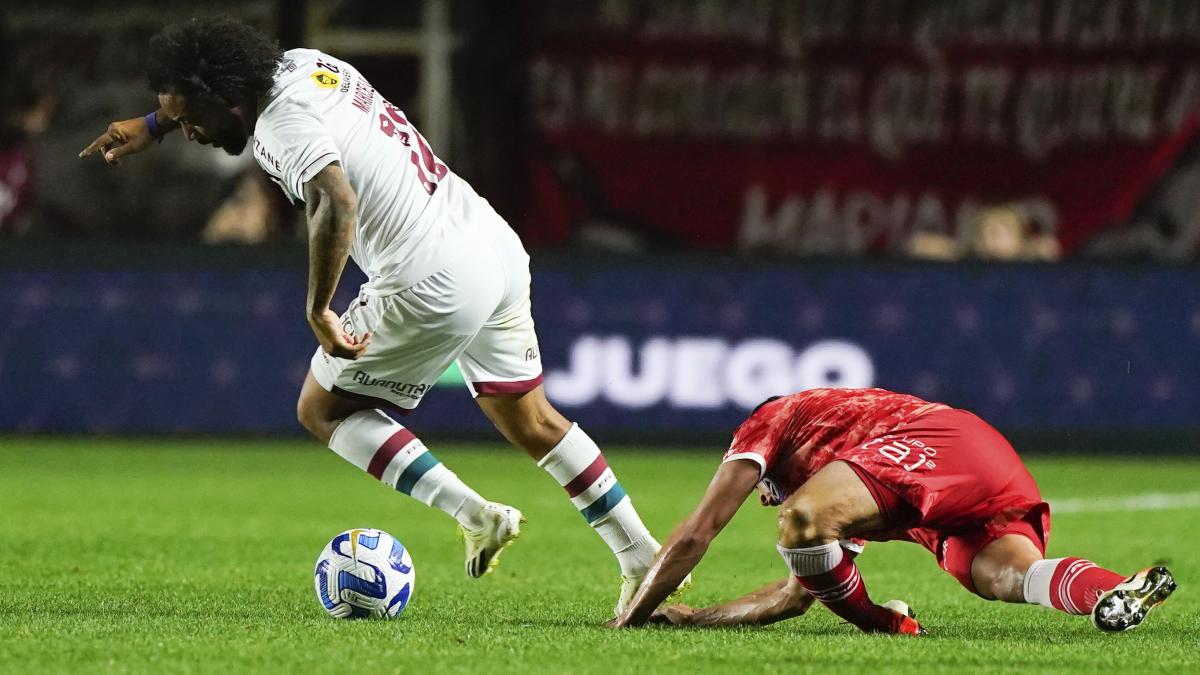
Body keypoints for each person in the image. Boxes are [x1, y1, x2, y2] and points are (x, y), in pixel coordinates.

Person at [80, 16, 664, 615]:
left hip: (430, 274)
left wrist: (318, 308)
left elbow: (335, 198)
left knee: (321, 409)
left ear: (227, 98)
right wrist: (154, 125)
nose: (191, 131)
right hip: (488, 241)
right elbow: (226, 107)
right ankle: (642, 557)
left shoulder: (281, 125)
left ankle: (475, 514)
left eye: (189, 117)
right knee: (532, 419)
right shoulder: (302, 65)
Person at [614, 388, 1176, 634]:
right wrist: (695, 617)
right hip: (974, 466)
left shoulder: (772, 420)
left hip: (938, 440)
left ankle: (885, 625)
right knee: (1003, 574)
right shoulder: (848, 484)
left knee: (802, 521)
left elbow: (697, 534)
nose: (765, 497)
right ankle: (1112, 590)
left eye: (765, 485)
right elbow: (792, 597)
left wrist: (631, 618)